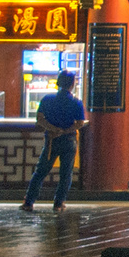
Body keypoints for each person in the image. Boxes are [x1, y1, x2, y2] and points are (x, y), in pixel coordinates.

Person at [21, 70, 85, 213]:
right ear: (72, 84)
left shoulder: (47, 99)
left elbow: (39, 118)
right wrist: (65, 130)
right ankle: (59, 202)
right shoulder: (76, 102)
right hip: (68, 140)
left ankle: (29, 201)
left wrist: (53, 129)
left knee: (41, 171)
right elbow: (80, 123)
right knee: (66, 173)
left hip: (51, 140)